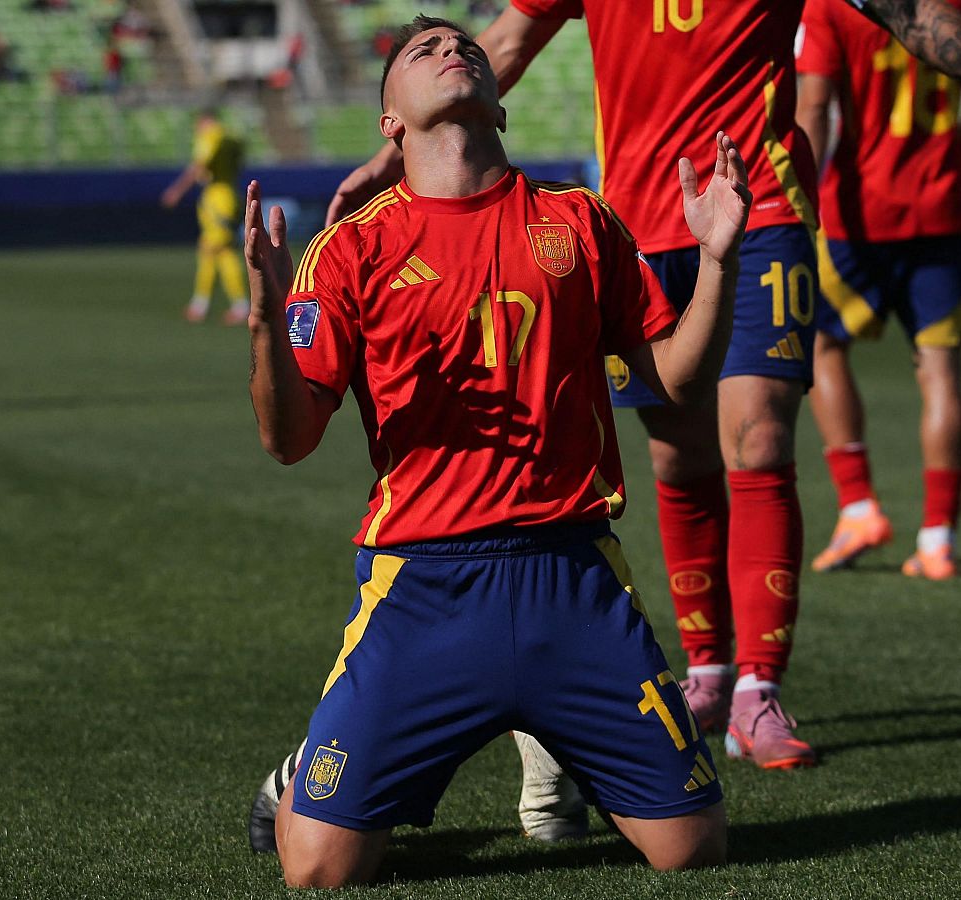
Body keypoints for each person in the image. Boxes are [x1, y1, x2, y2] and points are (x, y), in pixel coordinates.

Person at [322, 0, 961, 787]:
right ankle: (708, 671)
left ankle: (759, 691)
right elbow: (508, 40)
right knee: (677, 456)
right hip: (637, 221)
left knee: (758, 436)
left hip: (757, 206)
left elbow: (911, 15)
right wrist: (409, 148)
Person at [244, 17, 749, 886]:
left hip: (573, 577)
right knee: (318, 871)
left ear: (502, 107)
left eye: (465, 48)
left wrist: (717, 261)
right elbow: (288, 441)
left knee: (693, 850)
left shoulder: (578, 220)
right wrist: (264, 316)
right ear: (389, 120)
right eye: (421, 53)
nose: (452, 53)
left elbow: (676, 380)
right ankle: (310, 770)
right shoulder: (352, 248)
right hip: (424, 585)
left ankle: (563, 730)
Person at [796, 0, 961, 579]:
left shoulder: (833, 6)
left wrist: (799, 193)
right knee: (940, 373)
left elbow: (815, 108)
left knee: (823, 347)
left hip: (860, 214)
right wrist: (957, 165)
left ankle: (859, 507)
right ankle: (939, 538)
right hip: (944, 212)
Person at [161, 109, 248, 324]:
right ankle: (210, 304)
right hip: (230, 193)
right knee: (220, 251)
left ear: (204, 121)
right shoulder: (233, 137)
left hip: (217, 198)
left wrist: (176, 190)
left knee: (211, 248)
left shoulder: (210, 137)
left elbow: (199, 165)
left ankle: (213, 304)